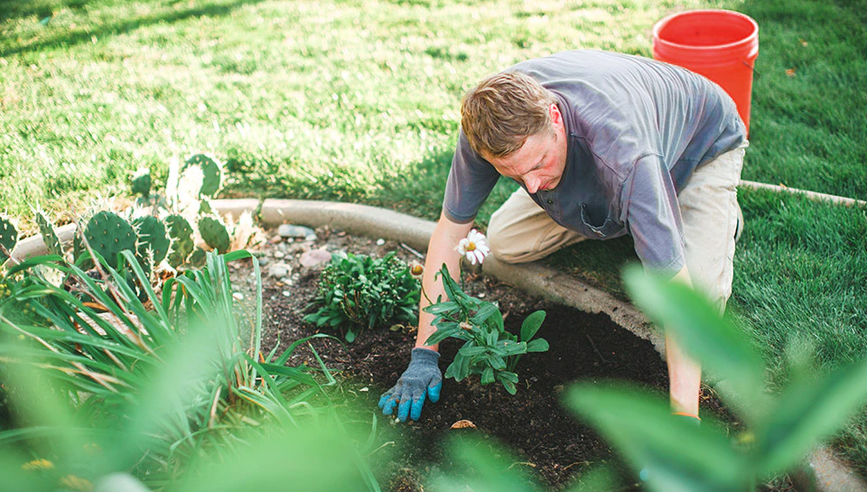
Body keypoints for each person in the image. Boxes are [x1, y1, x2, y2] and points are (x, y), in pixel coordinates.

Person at [378, 49, 748, 424]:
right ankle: (632, 218)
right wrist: (424, 355)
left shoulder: (626, 156)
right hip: (610, 161)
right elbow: (449, 233)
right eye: (515, 176)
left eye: (538, 164)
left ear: (554, 117)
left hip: (700, 148)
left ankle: (702, 217)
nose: (534, 186)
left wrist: (683, 420)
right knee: (505, 242)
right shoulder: (487, 127)